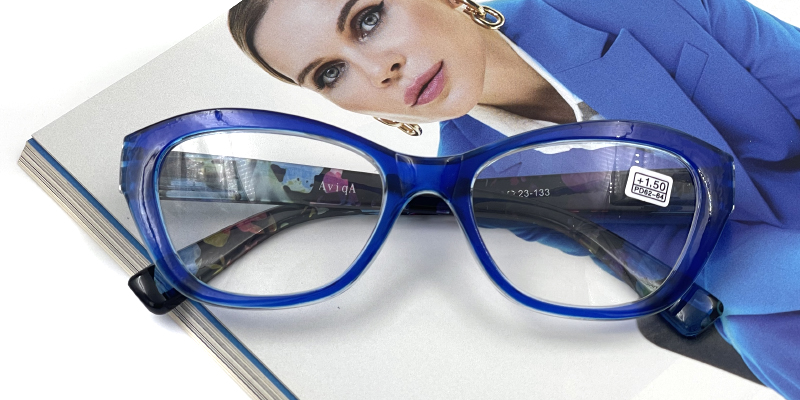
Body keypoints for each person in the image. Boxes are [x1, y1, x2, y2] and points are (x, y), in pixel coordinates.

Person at [228, 0, 800, 397]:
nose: (380, 70)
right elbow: (690, 259)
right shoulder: (482, 184)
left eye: (369, 19)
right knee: (768, 332)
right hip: (767, 276)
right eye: (330, 73)